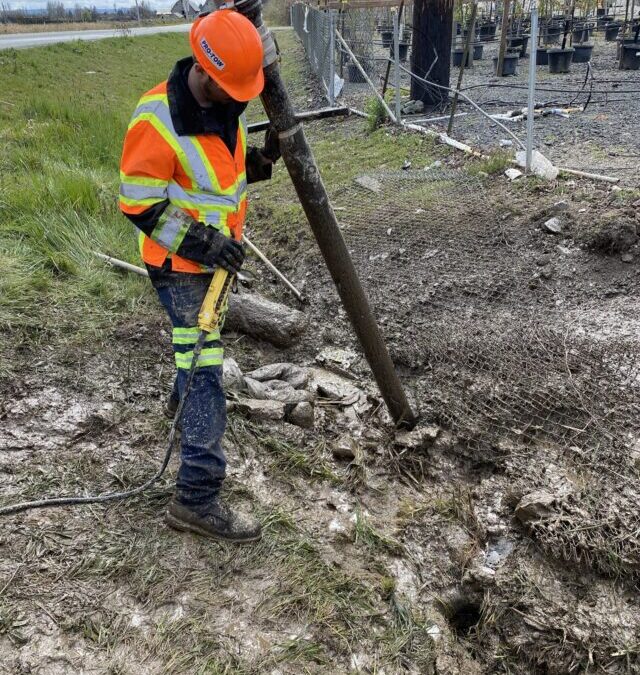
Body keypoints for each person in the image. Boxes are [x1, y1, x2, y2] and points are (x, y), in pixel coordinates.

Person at [119, 9, 280, 543]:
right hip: (182, 267)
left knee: (193, 357)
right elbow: (140, 204)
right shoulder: (156, 119)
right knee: (206, 370)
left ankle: (178, 401)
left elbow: (215, 173)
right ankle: (196, 497)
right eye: (232, 90)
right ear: (205, 74)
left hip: (212, 262)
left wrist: (255, 163)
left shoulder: (218, 103)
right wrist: (206, 243)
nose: (241, 101)